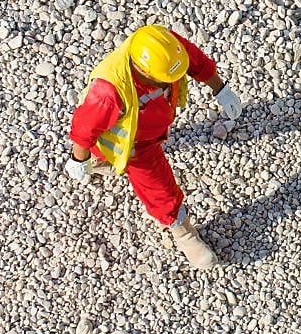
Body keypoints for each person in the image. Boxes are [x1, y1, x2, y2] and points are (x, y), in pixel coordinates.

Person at [66, 24, 243, 269]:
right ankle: (183, 233)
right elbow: (85, 129)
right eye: (164, 81)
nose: (171, 84)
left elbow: (193, 60)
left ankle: (101, 162)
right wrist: (78, 160)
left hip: (154, 126)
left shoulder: (165, 48)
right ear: (141, 71)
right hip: (135, 145)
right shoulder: (109, 93)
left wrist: (220, 89)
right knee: (161, 191)